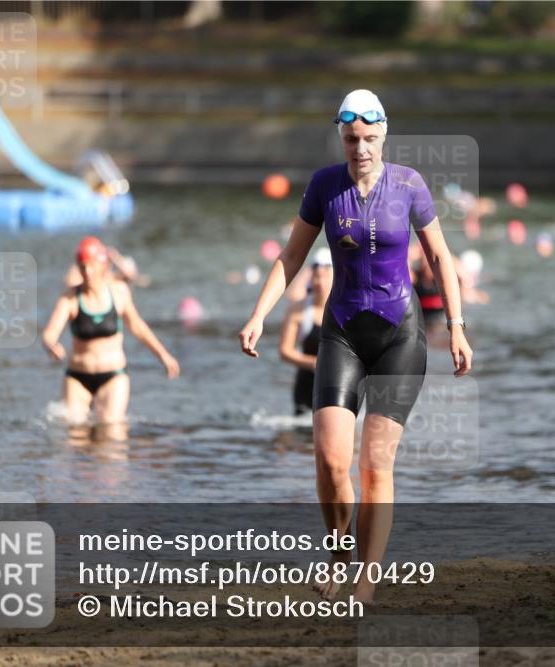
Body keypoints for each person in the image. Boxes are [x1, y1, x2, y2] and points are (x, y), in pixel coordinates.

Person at [239, 89, 472, 604]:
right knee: (328, 459)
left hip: (399, 336)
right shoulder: (325, 185)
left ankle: (366, 577)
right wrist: (259, 314)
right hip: (342, 331)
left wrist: (455, 325)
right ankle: (339, 556)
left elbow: (440, 256)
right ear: (341, 138)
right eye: (350, 139)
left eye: (368, 138)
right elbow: (292, 256)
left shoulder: (409, 184)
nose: (360, 148)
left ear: (383, 134)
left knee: (375, 463)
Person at [43, 237, 180, 428]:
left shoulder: (119, 291)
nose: (87, 272)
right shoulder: (70, 298)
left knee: (110, 431)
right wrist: (51, 345)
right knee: (74, 434)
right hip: (77, 377)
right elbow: (50, 333)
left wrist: (163, 355)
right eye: (82, 267)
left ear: (103, 265)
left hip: (113, 376)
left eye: (91, 266)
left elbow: (138, 327)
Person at [279, 248, 333, 415]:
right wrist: (312, 363)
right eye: (317, 276)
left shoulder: (347, 308)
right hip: (307, 387)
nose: (320, 282)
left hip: (337, 383)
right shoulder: (298, 310)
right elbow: (284, 351)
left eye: (325, 276)